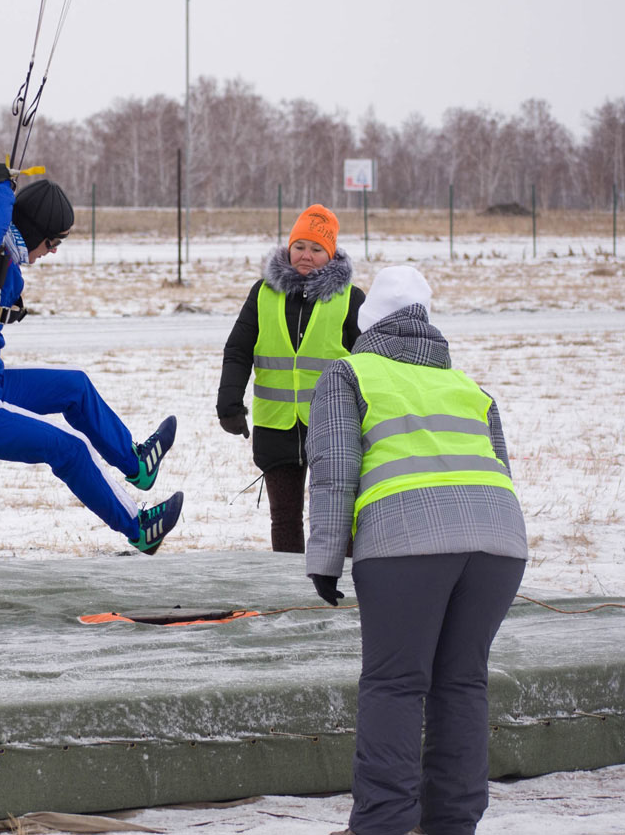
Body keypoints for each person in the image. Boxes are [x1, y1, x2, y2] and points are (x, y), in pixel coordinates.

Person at [304, 266, 529, 835]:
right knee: (462, 684)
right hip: (499, 545)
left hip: (406, 547)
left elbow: (334, 471)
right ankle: (452, 823)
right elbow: (499, 466)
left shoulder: (349, 374)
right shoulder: (470, 386)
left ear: (366, 323)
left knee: (395, 685)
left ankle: (381, 826)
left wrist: (326, 559)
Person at [0, 162, 184, 554]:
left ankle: (138, 466)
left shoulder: (0, 260)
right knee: (68, 447)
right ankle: (139, 527)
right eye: (53, 241)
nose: (53, 251)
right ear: (36, 232)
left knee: (73, 386)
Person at [215, 204, 365, 553]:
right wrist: (229, 406)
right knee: (284, 517)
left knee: (337, 516)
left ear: (331, 254)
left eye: (316, 249)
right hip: (275, 425)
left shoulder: (350, 299)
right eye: (300, 246)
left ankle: (343, 586)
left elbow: (371, 364)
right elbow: (238, 350)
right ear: (288, 247)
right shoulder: (263, 293)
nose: (306, 256)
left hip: (332, 427)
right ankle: (289, 589)